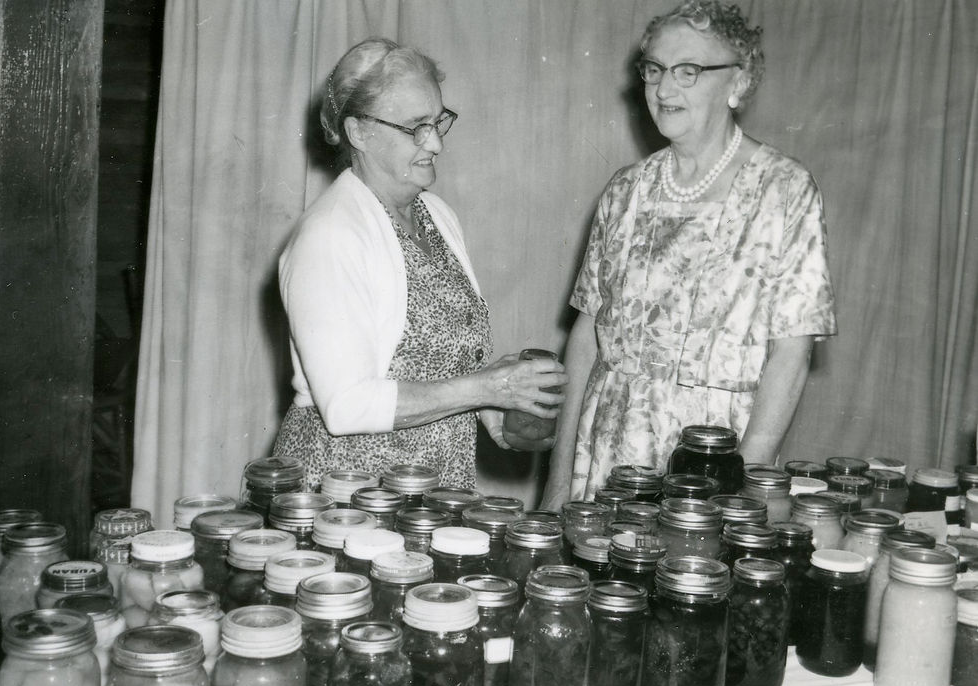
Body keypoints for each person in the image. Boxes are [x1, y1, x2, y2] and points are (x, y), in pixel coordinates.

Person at [541, 1, 836, 508]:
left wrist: (746, 484)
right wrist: (558, 483)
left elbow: (791, 352)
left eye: (689, 71)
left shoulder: (784, 190)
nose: (663, 89)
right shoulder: (625, 191)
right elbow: (586, 340)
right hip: (610, 455)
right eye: (654, 70)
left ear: (738, 83)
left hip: (715, 460)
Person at [274, 38, 566, 490]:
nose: (435, 143)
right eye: (415, 127)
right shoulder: (331, 236)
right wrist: (487, 387)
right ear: (359, 132)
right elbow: (347, 405)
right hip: (350, 493)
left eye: (438, 121)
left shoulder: (437, 215)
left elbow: (437, 369)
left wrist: (497, 413)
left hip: (433, 486)